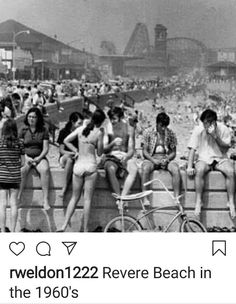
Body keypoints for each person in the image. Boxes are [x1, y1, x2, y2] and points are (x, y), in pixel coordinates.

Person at [58, 109, 106, 232]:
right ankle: (85, 229)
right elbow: (100, 152)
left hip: (78, 166)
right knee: (87, 199)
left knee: (74, 197)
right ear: (101, 122)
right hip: (90, 165)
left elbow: (66, 141)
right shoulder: (98, 133)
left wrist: (76, 151)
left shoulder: (80, 130)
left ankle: (64, 225)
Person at [187, 109, 235, 218]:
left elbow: (225, 148)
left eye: (206, 123)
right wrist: (190, 166)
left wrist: (215, 137)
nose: (204, 125)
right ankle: (198, 201)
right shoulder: (198, 129)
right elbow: (192, 149)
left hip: (219, 158)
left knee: (231, 171)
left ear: (213, 123)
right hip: (204, 158)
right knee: (199, 170)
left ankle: (231, 202)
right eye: (203, 123)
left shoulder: (224, 129)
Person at [141, 112, 181, 205]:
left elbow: (173, 152)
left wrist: (167, 159)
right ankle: (145, 198)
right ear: (157, 123)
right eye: (161, 126)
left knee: (175, 169)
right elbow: (144, 152)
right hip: (152, 157)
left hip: (165, 157)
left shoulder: (171, 133)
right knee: (145, 168)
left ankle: (176, 198)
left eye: (165, 126)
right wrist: (153, 160)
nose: (163, 128)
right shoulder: (148, 132)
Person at [18, 108, 51, 211]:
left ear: (38, 118)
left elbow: (46, 148)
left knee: (45, 170)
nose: (31, 119)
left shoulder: (43, 130)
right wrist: (26, 157)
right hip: (26, 156)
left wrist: (38, 158)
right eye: (30, 116)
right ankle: (19, 197)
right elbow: (20, 146)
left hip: (39, 156)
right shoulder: (23, 129)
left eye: (34, 117)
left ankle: (45, 200)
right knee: (22, 170)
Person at [104, 107, 138, 203]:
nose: (112, 121)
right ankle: (118, 196)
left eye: (114, 118)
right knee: (110, 169)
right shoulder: (108, 127)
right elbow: (104, 150)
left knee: (134, 169)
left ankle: (123, 198)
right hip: (112, 156)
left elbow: (131, 150)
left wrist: (126, 157)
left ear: (121, 117)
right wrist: (112, 143)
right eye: (111, 118)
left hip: (124, 156)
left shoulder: (129, 128)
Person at [0, 119, 25, 232]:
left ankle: (3, 231)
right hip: (15, 176)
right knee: (14, 204)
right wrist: (15, 165)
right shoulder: (19, 143)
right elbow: (23, 162)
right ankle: (13, 231)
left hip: (2, 176)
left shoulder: (0, 143)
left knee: (2, 205)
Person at [57, 112, 84, 198]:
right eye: (79, 123)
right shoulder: (64, 132)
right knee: (69, 159)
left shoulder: (81, 133)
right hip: (65, 157)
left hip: (77, 157)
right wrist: (72, 153)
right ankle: (64, 187)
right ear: (73, 122)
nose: (81, 125)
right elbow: (61, 150)